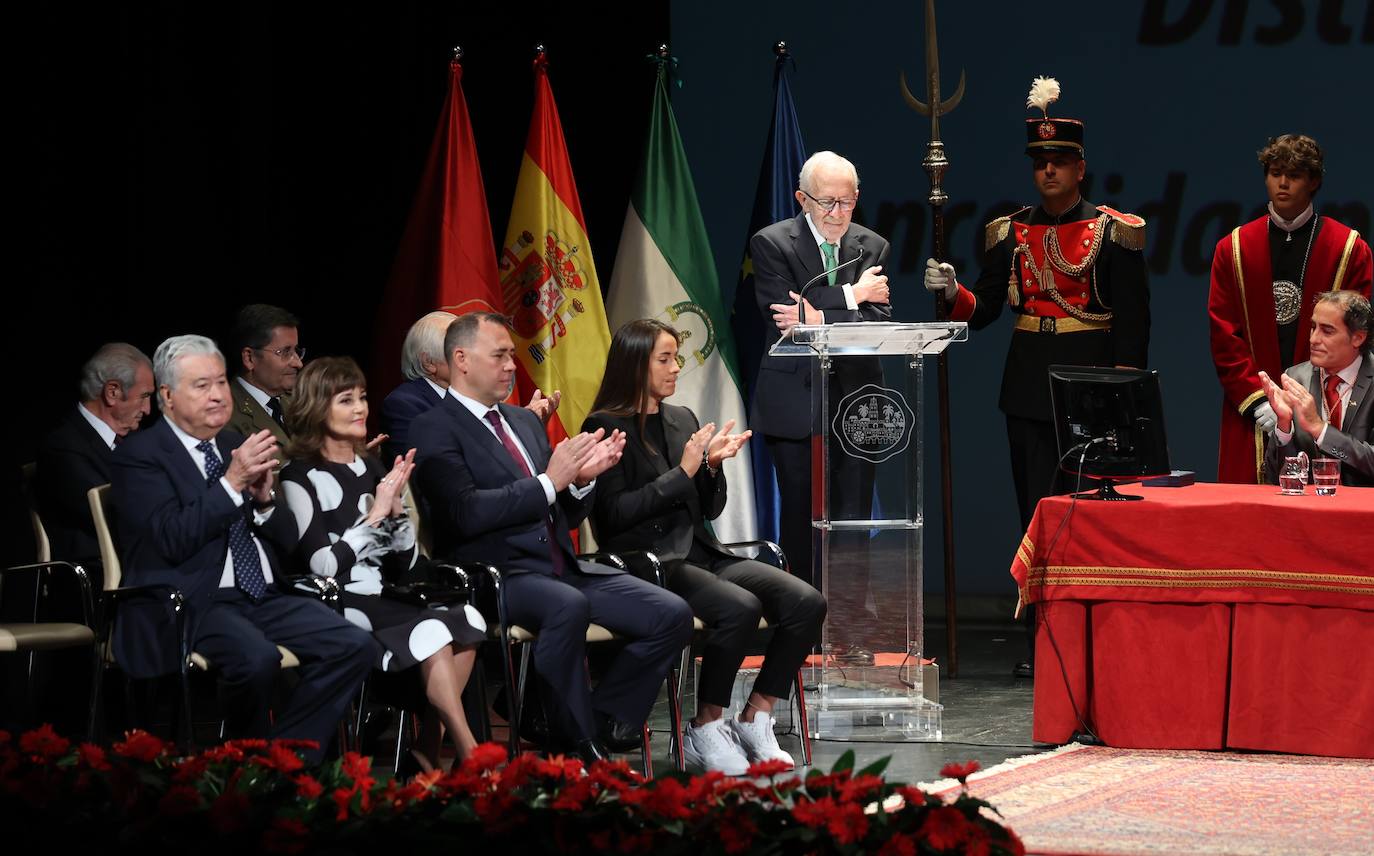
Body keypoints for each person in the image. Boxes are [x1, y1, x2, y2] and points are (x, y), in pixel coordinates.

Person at [924, 77, 1150, 677]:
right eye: (1039, 163)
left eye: (1058, 161)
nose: (1047, 171)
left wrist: (1121, 397)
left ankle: (1093, 635)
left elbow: (1133, 322)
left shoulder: (1115, 231)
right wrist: (952, 293)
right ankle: (1041, 643)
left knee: (1091, 514)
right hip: (1028, 386)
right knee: (1037, 514)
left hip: (1092, 385)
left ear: (1080, 167)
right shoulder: (1009, 232)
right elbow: (988, 309)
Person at [409, 312, 693, 763]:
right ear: (460, 359)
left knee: (670, 612)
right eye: (499, 355)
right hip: (496, 575)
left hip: (562, 567)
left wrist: (580, 481)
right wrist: (549, 481)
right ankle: (579, 745)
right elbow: (464, 512)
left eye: (511, 355)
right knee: (568, 606)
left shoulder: (521, 422)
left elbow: (564, 510)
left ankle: (594, 723)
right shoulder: (434, 427)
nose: (510, 366)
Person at [110, 334, 376, 763]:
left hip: (262, 595)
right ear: (167, 396)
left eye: (219, 382)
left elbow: (288, 541)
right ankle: (250, 767)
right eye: (201, 386)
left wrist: (266, 502)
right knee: (256, 660)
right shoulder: (140, 455)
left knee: (354, 645)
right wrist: (232, 484)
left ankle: (278, 762)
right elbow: (171, 539)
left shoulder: (234, 444)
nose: (217, 395)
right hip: (193, 599)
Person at [583, 319, 826, 775]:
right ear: (635, 364)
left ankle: (755, 715)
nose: (676, 367)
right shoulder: (604, 426)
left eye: (676, 357)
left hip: (701, 551)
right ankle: (705, 726)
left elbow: (708, 509)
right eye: (665, 358)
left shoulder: (682, 419)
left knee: (806, 601)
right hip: (649, 562)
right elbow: (613, 516)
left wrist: (711, 468)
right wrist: (683, 471)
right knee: (739, 607)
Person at [280, 356, 485, 772]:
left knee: (469, 621)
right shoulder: (297, 477)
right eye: (345, 400)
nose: (360, 408)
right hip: (335, 600)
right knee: (431, 631)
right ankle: (468, 751)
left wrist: (397, 516)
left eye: (362, 397)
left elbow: (407, 565)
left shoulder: (371, 468)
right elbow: (322, 565)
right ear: (317, 408)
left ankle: (427, 751)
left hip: (381, 592)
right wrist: (373, 518)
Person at [749, 150, 892, 595]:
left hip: (856, 401)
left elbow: (882, 324)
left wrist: (822, 316)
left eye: (847, 202)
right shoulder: (772, 243)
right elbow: (785, 315)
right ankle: (803, 619)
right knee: (802, 512)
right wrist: (854, 294)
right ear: (802, 198)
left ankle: (850, 624)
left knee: (853, 515)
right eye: (826, 202)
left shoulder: (872, 245)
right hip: (796, 400)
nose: (837, 213)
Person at [1208, 134, 1373, 484]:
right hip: (1251, 411)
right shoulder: (1233, 248)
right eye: (1274, 172)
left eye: (1294, 175)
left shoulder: (1348, 248)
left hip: (1326, 406)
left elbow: (1358, 331)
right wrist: (1257, 400)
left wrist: (1310, 406)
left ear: (1313, 181)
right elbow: (1224, 334)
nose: (1282, 183)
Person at [383, 310, 560, 463]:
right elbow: (433, 472)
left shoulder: (478, 395)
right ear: (429, 363)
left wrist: (524, 428)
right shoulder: (404, 405)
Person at [37, 342, 154, 567]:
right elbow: (119, 515)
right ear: (112, 392)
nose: (148, 409)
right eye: (144, 396)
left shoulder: (134, 441)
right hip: (104, 575)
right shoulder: (62, 448)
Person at [1260, 291, 1373, 486]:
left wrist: (1320, 429)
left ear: (1358, 338)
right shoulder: (1295, 378)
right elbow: (1274, 476)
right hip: (1309, 512)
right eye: (1313, 327)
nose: (1313, 339)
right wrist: (1284, 428)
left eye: (1327, 331)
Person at [227, 304, 304, 450]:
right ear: (249, 358)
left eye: (296, 351)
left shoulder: (300, 403)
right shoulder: (225, 415)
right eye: (285, 352)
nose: (298, 363)